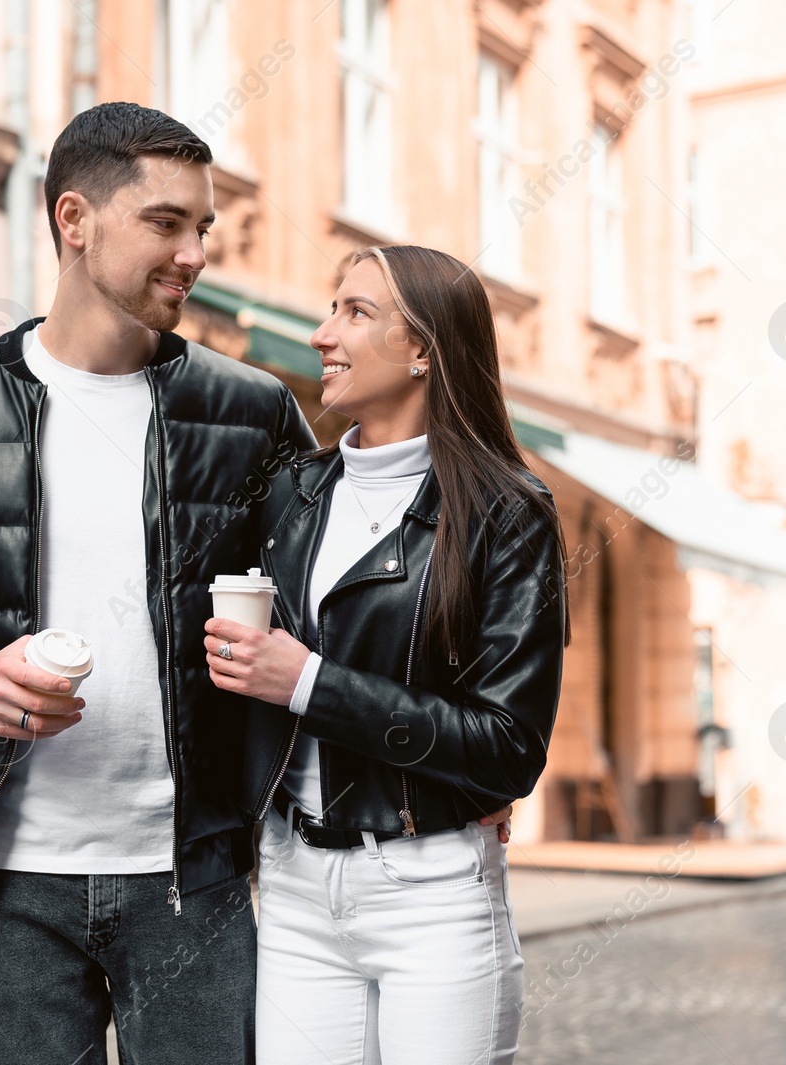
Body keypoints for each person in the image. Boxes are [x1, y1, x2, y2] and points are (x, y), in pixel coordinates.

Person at [0, 102, 315, 1064]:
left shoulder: (253, 413)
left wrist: (434, 755)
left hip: (194, 877)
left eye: (202, 227)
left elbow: (328, 618)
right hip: (4, 880)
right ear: (74, 219)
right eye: (165, 223)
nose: (194, 252)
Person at [203, 245, 570, 1064]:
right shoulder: (289, 495)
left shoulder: (508, 514)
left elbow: (508, 746)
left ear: (423, 351)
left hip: (432, 891)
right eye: (331, 309)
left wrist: (307, 682)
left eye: (355, 312)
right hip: (294, 885)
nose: (323, 335)